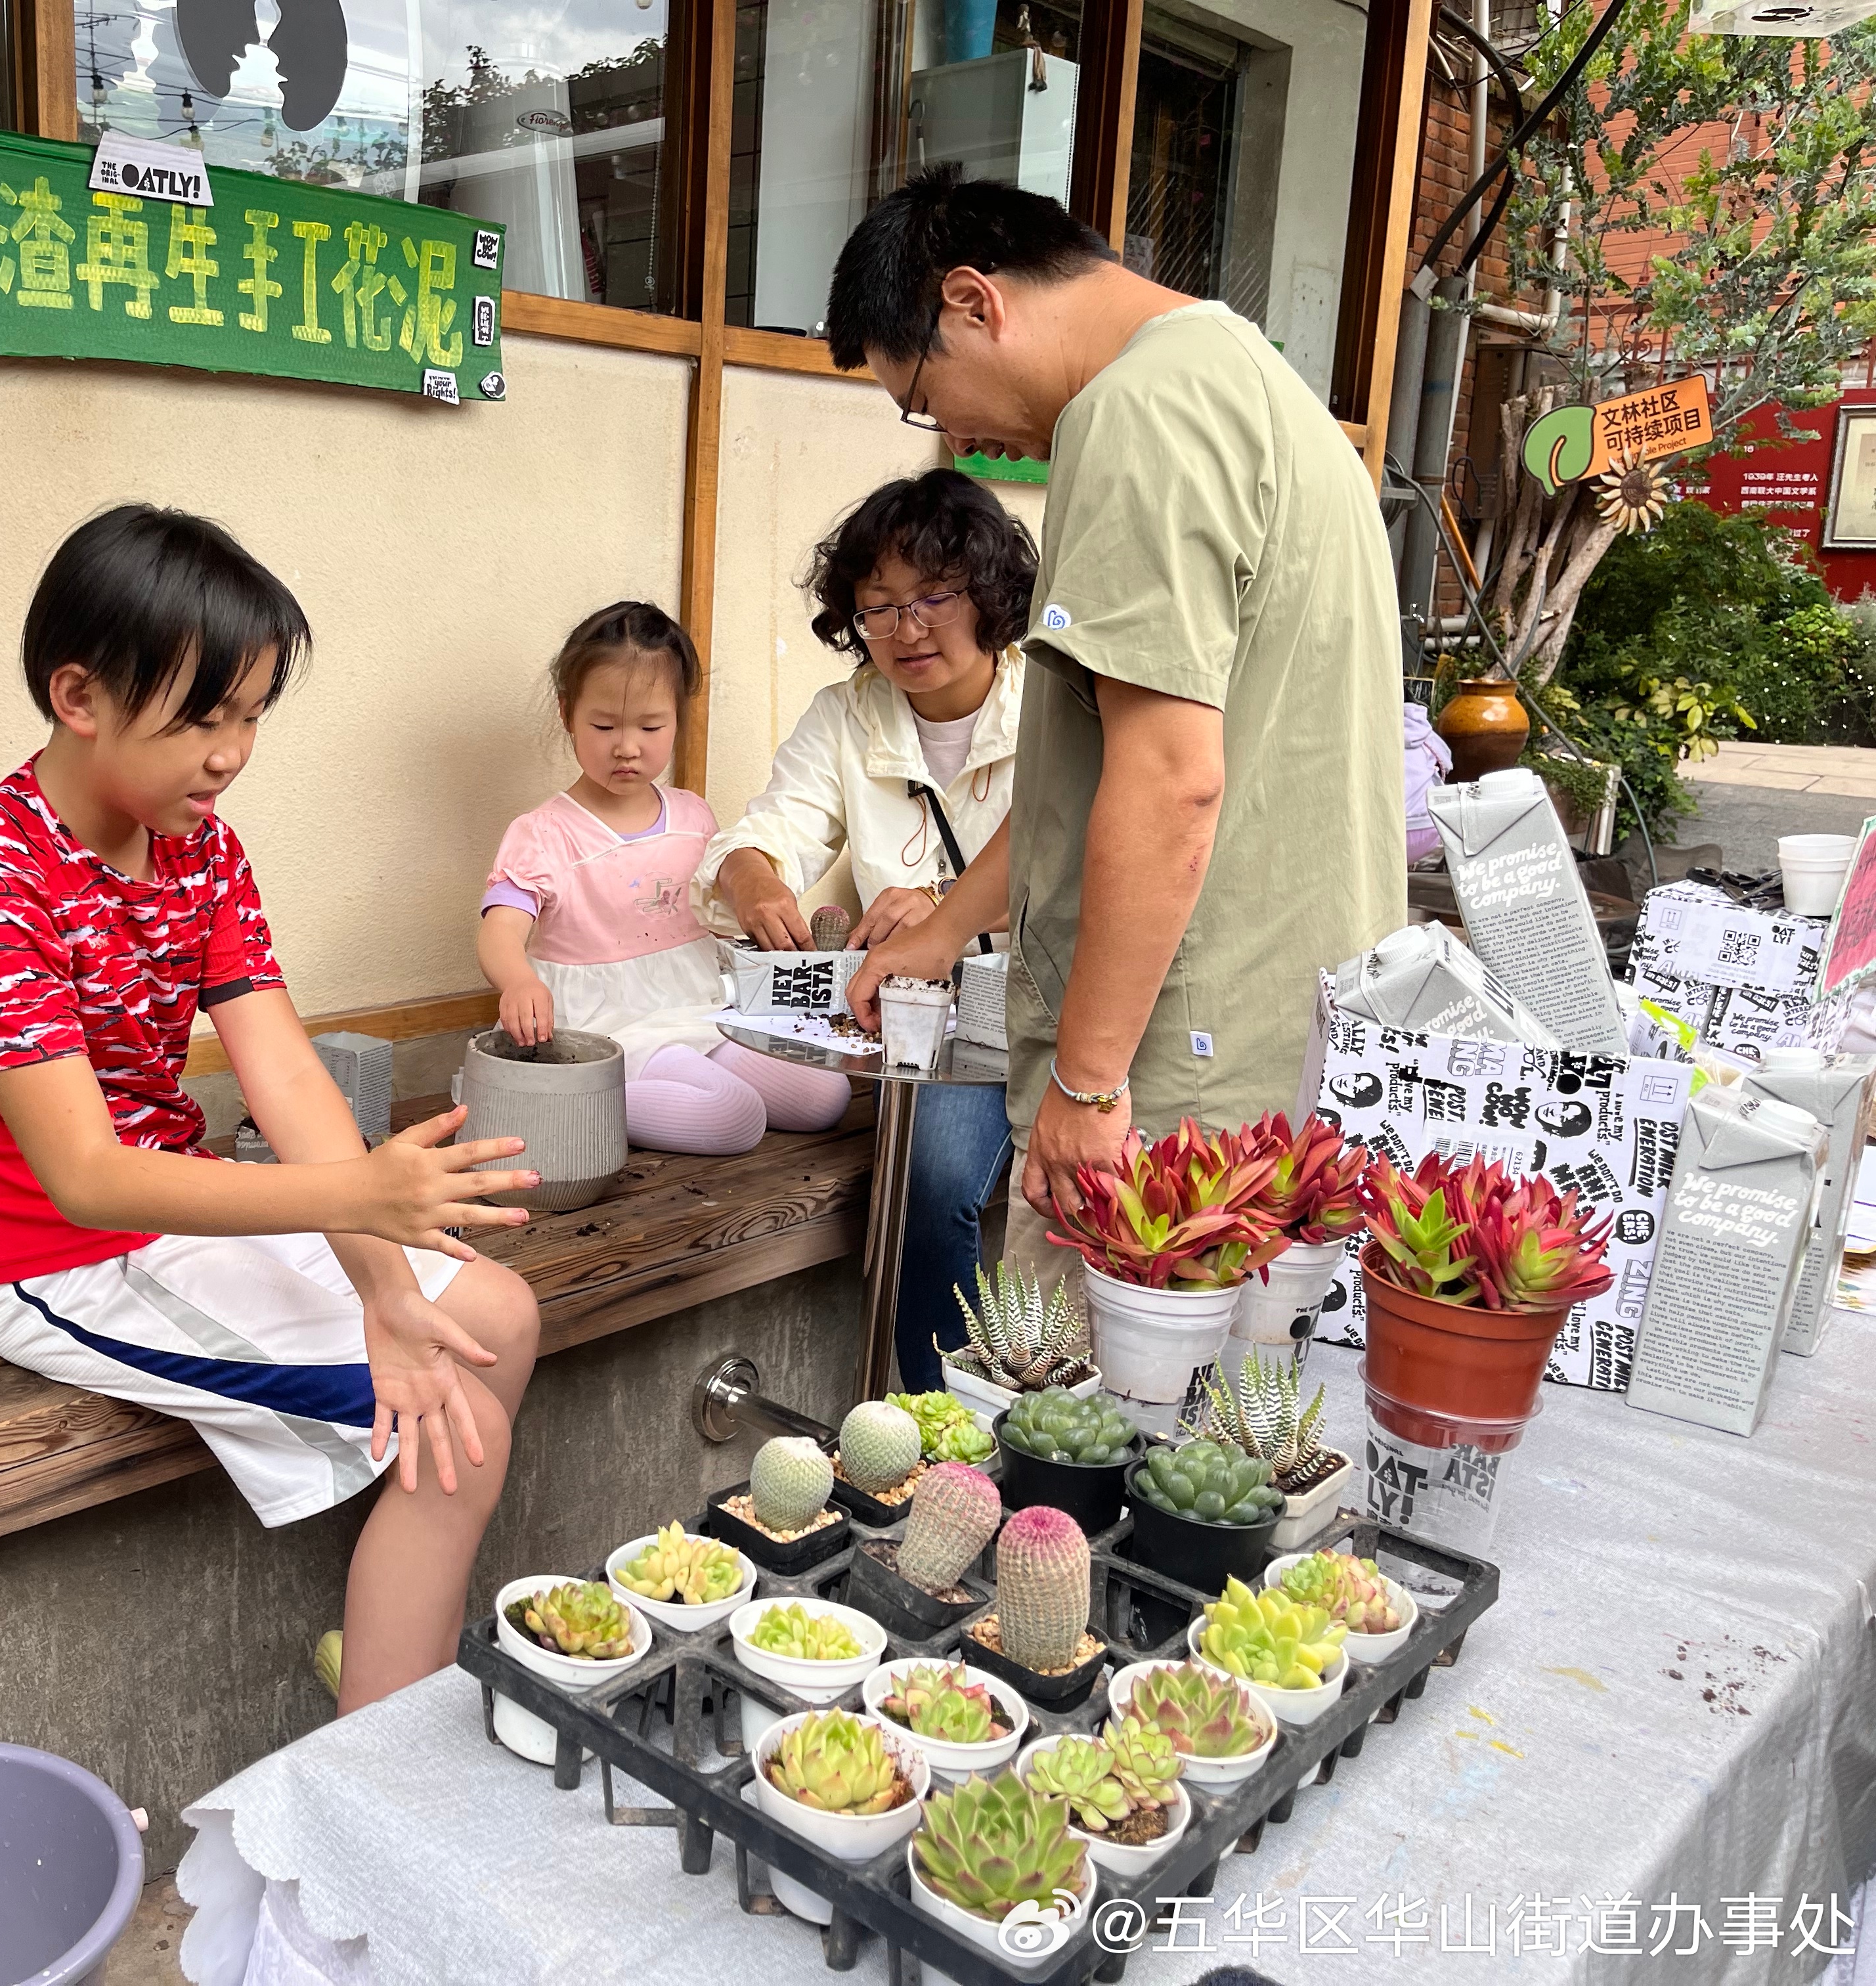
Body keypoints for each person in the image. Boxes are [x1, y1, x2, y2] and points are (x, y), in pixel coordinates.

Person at [0, 504, 542, 1714]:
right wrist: (360, 1197)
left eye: (250, 714)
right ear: (78, 696)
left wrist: (388, 1290)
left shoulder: (200, 850)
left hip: (184, 1218)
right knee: (466, 1417)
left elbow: (285, 1077)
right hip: (60, 1259)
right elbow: (85, 1176)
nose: (231, 751)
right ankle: (382, 1758)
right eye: (202, 715)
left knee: (495, 1314)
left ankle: (387, 1641)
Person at [828, 169, 1405, 1282]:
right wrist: (945, 928)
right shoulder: (1250, 379)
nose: (949, 432)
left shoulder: (1133, 414)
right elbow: (1104, 766)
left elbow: (1169, 780)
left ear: (972, 303)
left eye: (923, 397)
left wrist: (1086, 1082)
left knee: (1091, 1432)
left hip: (1170, 1062)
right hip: (1265, 1037)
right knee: (1214, 1432)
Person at [695, 468, 1039, 1384]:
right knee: (929, 1186)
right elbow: (770, 830)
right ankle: (932, 1424)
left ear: (992, 597)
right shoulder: (848, 715)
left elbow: (1092, 865)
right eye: (878, 607)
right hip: (932, 1022)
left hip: (1058, 1006)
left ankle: (1014, 1421)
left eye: (933, 597)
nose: (905, 631)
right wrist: (752, 876)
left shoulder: (1056, 704)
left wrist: (948, 913)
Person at [479, 601, 850, 1155]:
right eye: (603, 726)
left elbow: (720, 921)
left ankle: (622, 1095)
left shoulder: (694, 816)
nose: (627, 747)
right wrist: (519, 981)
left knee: (827, 1094)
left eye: (651, 726)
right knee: (736, 1118)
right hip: (613, 1029)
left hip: (698, 1009)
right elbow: (499, 929)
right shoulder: (545, 832)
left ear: (679, 717)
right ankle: (566, 1093)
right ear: (567, 713)